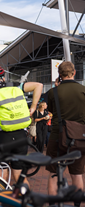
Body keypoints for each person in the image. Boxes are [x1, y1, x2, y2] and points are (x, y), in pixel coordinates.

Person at [0, 65, 43, 184]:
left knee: (0, 175)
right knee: (19, 175)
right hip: (20, 135)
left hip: (2, 136)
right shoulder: (15, 86)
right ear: (3, 77)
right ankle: (26, 200)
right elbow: (38, 86)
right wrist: (33, 108)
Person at [46, 61, 85, 206]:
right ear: (74, 73)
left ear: (59, 75)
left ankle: (53, 204)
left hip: (58, 136)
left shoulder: (53, 92)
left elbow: (51, 109)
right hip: (79, 137)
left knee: (54, 173)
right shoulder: (83, 90)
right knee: (77, 174)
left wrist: (56, 88)